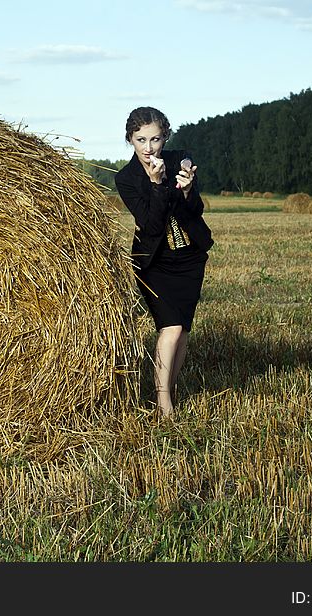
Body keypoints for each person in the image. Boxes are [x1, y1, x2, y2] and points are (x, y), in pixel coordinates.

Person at [114, 106, 213, 417]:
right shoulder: (127, 178)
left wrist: (186, 193)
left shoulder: (180, 160)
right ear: (129, 139)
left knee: (182, 329)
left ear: (165, 137)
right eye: (141, 140)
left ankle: (169, 386)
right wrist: (158, 186)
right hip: (154, 263)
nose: (149, 148)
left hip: (189, 258)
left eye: (155, 139)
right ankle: (163, 402)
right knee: (169, 328)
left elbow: (195, 210)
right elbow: (152, 224)